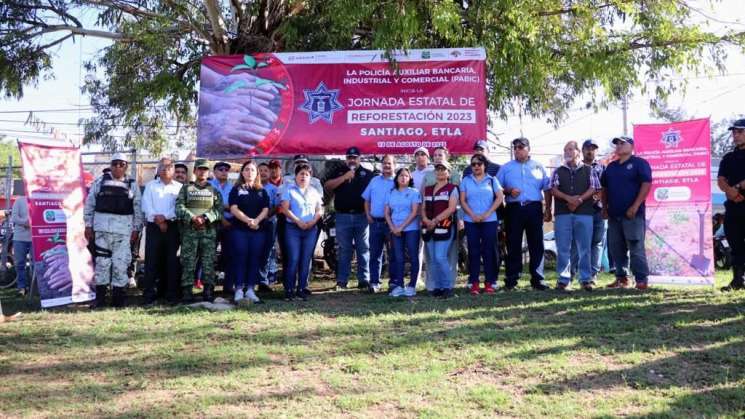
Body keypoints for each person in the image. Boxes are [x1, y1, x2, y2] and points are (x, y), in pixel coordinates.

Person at [84, 152, 143, 308]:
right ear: (110, 165)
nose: (118, 167)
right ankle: (101, 300)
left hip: (123, 233)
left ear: (126, 167)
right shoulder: (99, 182)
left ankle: (119, 301)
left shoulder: (132, 184)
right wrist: (88, 225)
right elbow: (89, 204)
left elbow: (138, 208)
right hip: (102, 231)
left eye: (121, 164)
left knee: (120, 264)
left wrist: (136, 229)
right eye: (115, 163)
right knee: (102, 264)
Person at [497, 137, 551, 291]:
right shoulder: (506, 168)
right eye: (515, 147)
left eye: (521, 147)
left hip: (534, 207)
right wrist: (508, 190)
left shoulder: (538, 166)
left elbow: (546, 188)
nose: (517, 150)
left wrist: (548, 209)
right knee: (513, 243)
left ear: (528, 149)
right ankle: (512, 279)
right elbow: (497, 188)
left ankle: (538, 279)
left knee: (537, 243)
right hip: (514, 208)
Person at [601, 136, 652, 290]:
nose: (619, 146)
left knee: (635, 246)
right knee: (616, 248)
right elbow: (604, 188)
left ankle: (641, 279)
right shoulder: (611, 167)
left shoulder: (639, 163)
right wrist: (604, 208)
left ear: (631, 146)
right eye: (617, 143)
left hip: (633, 214)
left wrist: (635, 206)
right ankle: (622, 278)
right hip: (614, 215)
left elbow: (646, 184)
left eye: (622, 143)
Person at [549, 141, 601, 291]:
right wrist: (568, 199)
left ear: (578, 152)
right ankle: (564, 280)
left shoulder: (589, 170)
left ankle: (586, 279)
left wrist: (579, 200)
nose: (568, 152)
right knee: (563, 247)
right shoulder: (558, 171)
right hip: (563, 214)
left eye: (571, 149)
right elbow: (553, 189)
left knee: (584, 247)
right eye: (566, 150)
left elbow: (594, 187)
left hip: (584, 213)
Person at [324, 146, 375, 290]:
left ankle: (364, 280)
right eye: (349, 158)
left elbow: (373, 195)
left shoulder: (368, 174)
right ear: (346, 159)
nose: (352, 160)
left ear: (360, 158)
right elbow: (327, 186)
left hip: (362, 216)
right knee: (344, 249)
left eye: (355, 157)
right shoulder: (339, 171)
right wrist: (344, 177)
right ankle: (342, 281)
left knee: (363, 248)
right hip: (342, 216)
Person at [176, 159, 223, 302]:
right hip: (190, 232)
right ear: (195, 171)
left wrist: (205, 218)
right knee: (188, 262)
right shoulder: (185, 189)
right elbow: (179, 207)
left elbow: (219, 210)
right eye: (199, 169)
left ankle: (208, 291)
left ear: (208, 172)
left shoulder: (214, 191)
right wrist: (193, 218)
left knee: (208, 262)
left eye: (205, 169)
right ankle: (187, 291)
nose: (202, 172)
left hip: (208, 233)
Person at [141, 157, 183, 305]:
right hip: (154, 227)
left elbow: (178, 207)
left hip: (172, 227)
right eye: (162, 166)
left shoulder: (179, 187)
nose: (165, 169)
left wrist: (166, 218)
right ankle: (149, 295)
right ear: (158, 169)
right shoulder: (150, 186)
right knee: (151, 261)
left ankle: (170, 294)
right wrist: (158, 219)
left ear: (173, 170)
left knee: (172, 261)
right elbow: (146, 205)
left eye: (169, 166)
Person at [461, 154, 504, 294]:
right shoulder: (466, 180)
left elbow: (499, 198)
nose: (476, 166)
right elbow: (462, 200)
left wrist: (487, 213)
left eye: (479, 164)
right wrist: (472, 215)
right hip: (470, 221)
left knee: (489, 251)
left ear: (485, 165)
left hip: (489, 220)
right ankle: (474, 282)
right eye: (473, 164)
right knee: (473, 252)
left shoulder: (492, 180)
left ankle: (489, 282)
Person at [281, 163, 323, 301]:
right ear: (296, 176)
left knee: (305, 260)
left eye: (307, 174)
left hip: (310, 229)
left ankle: (301, 289)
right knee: (293, 258)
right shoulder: (289, 189)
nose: (303, 176)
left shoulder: (314, 192)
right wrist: (298, 221)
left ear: (310, 177)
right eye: (301, 174)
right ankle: (289, 289)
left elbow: (319, 210)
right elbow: (285, 209)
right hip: (293, 228)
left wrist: (313, 222)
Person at [229, 161, 270, 303]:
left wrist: (257, 221)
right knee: (240, 257)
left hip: (258, 230)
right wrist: (248, 221)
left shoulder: (262, 191)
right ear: (242, 172)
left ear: (256, 173)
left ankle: (251, 290)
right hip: (240, 230)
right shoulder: (236, 189)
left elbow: (266, 209)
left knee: (254, 258)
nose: (249, 172)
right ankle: (239, 289)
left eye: (252, 170)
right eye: (246, 169)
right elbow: (233, 208)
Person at [570, 139, 607, 285]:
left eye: (593, 148)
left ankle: (592, 275)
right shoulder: (575, 167)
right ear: (582, 151)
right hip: (579, 210)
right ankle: (570, 274)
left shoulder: (602, 168)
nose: (590, 151)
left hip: (597, 210)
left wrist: (601, 201)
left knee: (596, 243)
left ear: (596, 151)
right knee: (576, 243)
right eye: (587, 148)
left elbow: (606, 188)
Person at [422, 161, 459, 298]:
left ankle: (447, 287)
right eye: (438, 169)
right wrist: (425, 219)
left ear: (448, 173)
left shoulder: (452, 188)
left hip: (445, 226)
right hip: (428, 227)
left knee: (440, 257)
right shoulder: (428, 189)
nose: (440, 171)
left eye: (443, 169)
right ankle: (437, 287)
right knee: (431, 258)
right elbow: (423, 207)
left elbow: (451, 208)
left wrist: (436, 220)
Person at [717, 118, 745, 291]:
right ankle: (737, 281)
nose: (736, 135)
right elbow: (720, 180)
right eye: (734, 132)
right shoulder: (728, 158)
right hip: (733, 207)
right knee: (735, 244)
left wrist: (739, 186)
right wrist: (731, 191)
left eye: (740, 131)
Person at [385, 168, 422, 297]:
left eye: (406, 176)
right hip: (395, 229)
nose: (403, 178)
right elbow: (387, 213)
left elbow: (414, 212)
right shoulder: (391, 192)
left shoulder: (414, 192)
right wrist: (393, 227)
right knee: (398, 257)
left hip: (411, 229)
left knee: (413, 257)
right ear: (397, 178)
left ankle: (411, 285)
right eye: (401, 175)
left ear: (410, 178)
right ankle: (399, 285)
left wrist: (401, 227)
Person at [362, 154, 396, 293]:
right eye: (385, 163)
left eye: (390, 163)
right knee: (375, 254)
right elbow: (366, 200)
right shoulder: (374, 180)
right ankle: (374, 282)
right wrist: (368, 214)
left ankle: (394, 282)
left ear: (395, 165)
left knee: (393, 254)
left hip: (392, 224)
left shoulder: (398, 181)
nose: (387, 166)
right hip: (375, 223)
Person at [210, 161, 235, 296]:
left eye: (226, 169)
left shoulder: (233, 187)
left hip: (230, 225)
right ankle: (209, 286)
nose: (224, 171)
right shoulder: (209, 186)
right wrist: (223, 214)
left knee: (230, 255)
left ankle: (228, 286)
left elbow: (235, 205)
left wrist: (222, 205)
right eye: (221, 169)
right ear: (214, 172)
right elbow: (210, 205)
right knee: (209, 255)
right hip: (213, 223)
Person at [258, 161, 280, 290]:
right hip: (253, 222)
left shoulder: (274, 189)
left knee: (268, 251)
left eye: (265, 171)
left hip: (269, 222)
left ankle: (264, 280)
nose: (263, 173)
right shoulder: (252, 187)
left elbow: (277, 206)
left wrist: (266, 216)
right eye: (260, 170)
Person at [11, 195, 32, 296]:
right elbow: (14, 218)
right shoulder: (19, 200)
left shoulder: (39, 199)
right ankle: (22, 287)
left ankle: (34, 288)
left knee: (35, 264)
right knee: (20, 264)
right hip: (19, 238)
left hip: (35, 238)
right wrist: (25, 223)